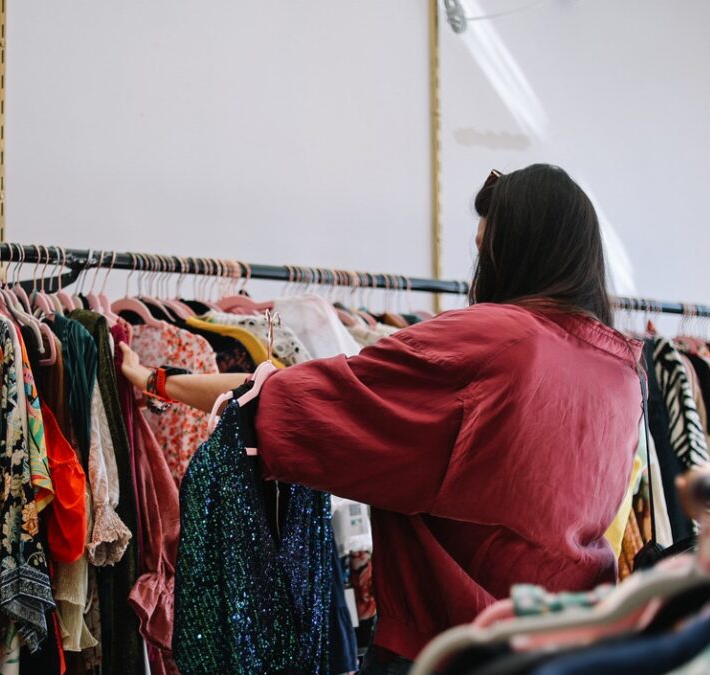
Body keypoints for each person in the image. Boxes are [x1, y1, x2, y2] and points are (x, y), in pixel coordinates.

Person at [119, 163, 643, 675]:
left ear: (511, 255)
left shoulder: (494, 343)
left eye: (485, 251)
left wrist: (153, 379)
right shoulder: (620, 371)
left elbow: (289, 403)